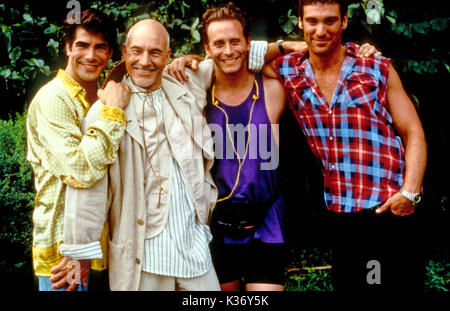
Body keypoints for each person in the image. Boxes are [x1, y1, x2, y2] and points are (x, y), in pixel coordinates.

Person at [165, 2, 380, 291]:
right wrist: (184, 60)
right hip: (216, 223)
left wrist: (357, 53)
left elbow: (318, 54)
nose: (228, 50)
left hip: (265, 221)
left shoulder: (273, 87)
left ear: (248, 42)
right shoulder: (197, 95)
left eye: (235, 41)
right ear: (207, 47)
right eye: (218, 43)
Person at [263, 0, 427, 290]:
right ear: (300, 23)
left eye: (329, 21)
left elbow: (413, 131)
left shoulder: (375, 66)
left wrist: (410, 193)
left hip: (389, 206)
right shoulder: (288, 70)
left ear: (345, 22)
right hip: (343, 215)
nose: (321, 29)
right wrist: (289, 45)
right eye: (312, 21)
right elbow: (239, 55)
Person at [59, 19, 220, 291]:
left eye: (155, 52)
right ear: (124, 52)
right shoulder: (107, 111)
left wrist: (285, 45)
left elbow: (230, 57)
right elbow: (89, 184)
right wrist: (79, 252)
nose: (144, 61)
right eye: (137, 51)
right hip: (144, 254)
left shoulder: (184, 87)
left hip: (194, 247)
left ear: (168, 55)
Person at [26, 8, 130, 291]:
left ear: (110, 54)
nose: (91, 55)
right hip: (63, 253)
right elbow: (80, 170)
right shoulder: (53, 99)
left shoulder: (105, 95)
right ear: (68, 48)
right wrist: (111, 112)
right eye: (82, 45)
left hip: (103, 246)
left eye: (100, 47)